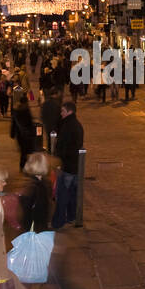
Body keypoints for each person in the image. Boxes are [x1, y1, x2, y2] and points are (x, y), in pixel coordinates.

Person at [52, 97, 84, 229]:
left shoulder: (67, 126)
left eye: (63, 111)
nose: (61, 113)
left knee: (62, 195)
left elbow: (62, 146)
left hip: (67, 166)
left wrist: (58, 162)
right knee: (72, 194)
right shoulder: (77, 124)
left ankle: (58, 221)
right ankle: (71, 216)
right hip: (75, 166)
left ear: (69, 112)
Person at [10, 95, 35, 170]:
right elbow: (30, 123)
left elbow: (14, 124)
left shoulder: (16, 111)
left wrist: (12, 133)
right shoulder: (26, 111)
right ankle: (24, 166)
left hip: (20, 135)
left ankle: (22, 166)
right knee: (26, 152)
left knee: (23, 151)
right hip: (26, 135)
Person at [41, 87, 62, 154]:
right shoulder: (56, 104)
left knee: (49, 139)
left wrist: (45, 122)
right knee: (54, 140)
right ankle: (53, 152)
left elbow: (42, 115)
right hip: (55, 125)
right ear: (55, 94)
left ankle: (50, 151)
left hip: (48, 125)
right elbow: (59, 116)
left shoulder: (45, 103)